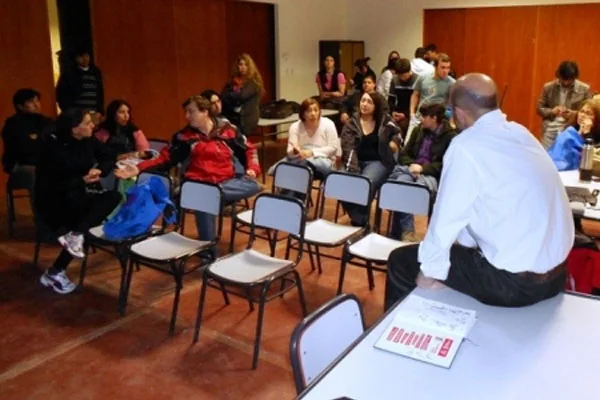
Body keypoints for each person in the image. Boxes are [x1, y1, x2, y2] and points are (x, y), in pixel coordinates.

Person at [385, 73, 574, 310]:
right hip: (556, 277)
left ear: (459, 113)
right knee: (457, 256)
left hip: (514, 285)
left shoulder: (466, 145)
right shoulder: (522, 134)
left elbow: (446, 218)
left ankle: (397, 337)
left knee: (401, 261)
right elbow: (475, 210)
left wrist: (430, 272)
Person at [116, 96, 262, 245]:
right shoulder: (184, 137)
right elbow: (164, 159)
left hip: (226, 184)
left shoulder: (228, 130)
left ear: (205, 112)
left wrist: (252, 169)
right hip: (198, 185)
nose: (187, 116)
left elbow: (249, 150)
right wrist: (138, 168)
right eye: (186, 112)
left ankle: (213, 194)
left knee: (254, 185)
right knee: (203, 196)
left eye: (191, 112)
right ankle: (208, 252)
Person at [37, 108, 121, 294]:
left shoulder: (88, 141)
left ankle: (74, 238)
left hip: (77, 196)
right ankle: (56, 270)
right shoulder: (53, 149)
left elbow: (109, 155)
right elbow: (49, 186)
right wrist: (80, 181)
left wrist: (99, 170)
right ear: (75, 128)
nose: (93, 125)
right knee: (85, 220)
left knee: (113, 197)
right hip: (54, 203)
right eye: (88, 123)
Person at [388, 102, 456, 242]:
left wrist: (423, 169)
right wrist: (412, 165)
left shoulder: (450, 137)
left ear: (434, 118)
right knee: (400, 184)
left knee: (411, 190)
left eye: (424, 116)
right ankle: (407, 232)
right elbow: (403, 154)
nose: (421, 119)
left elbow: (446, 165)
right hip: (409, 170)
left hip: (431, 175)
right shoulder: (418, 130)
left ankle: (402, 232)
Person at [341, 92, 400, 226]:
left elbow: (398, 132)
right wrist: (354, 171)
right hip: (354, 161)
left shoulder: (385, 120)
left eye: (369, 102)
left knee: (366, 182)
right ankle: (360, 218)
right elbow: (348, 148)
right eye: (363, 101)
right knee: (341, 181)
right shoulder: (351, 123)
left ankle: (359, 221)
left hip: (378, 161)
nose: (365, 104)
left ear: (376, 106)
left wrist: (395, 141)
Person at [269, 98, 339, 181]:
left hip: (323, 160)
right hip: (300, 159)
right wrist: (295, 151)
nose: (313, 114)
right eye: (309, 111)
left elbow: (333, 148)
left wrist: (311, 152)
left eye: (316, 110)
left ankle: (288, 190)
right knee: (297, 168)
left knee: (295, 168)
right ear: (303, 114)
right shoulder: (295, 127)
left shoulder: (328, 124)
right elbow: (290, 152)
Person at [2, 88, 52, 197]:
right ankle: (42, 213)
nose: (36, 104)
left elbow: (54, 144)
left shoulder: (47, 122)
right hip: (21, 166)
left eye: (37, 101)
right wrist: (40, 142)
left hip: (46, 163)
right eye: (31, 102)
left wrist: (36, 140)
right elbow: (22, 149)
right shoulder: (12, 124)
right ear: (20, 106)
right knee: (37, 173)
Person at [537, 61, 592, 149]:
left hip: (571, 131)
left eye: (569, 80)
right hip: (549, 129)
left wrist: (573, 114)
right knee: (545, 159)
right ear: (558, 75)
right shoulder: (548, 87)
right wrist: (552, 111)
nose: (566, 83)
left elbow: (590, 113)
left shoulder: (584, 89)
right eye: (563, 79)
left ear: (574, 77)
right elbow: (539, 109)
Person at [547, 99, 600, 171]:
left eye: (588, 113)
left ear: (596, 119)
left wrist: (587, 134)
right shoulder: (570, 129)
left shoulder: (597, 135)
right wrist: (578, 134)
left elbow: (593, 157)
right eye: (581, 111)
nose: (582, 115)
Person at [221, 53, 264, 136]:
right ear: (237, 66)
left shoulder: (254, 81)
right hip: (232, 117)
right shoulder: (232, 80)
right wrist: (233, 94)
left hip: (246, 119)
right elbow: (223, 96)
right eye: (241, 64)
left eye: (246, 65)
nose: (243, 67)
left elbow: (242, 96)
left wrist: (231, 94)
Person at [56, 48, 105, 116]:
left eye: (87, 56)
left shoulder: (96, 72)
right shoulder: (69, 74)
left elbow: (100, 93)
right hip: (76, 114)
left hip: (94, 112)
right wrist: (69, 112)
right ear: (76, 58)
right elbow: (62, 95)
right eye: (81, 56)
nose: (85, 59)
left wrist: (100, 111)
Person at [388, 59, 419, 133]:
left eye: (404, 76)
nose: (402, 78)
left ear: (410, 71)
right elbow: (391, 99)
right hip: (398, 111)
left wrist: (405, 114)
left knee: (402, 126)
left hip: (411, 112)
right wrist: (393, 112)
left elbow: (418, 102)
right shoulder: (395, 79)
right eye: (400, 76)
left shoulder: (417, 80)